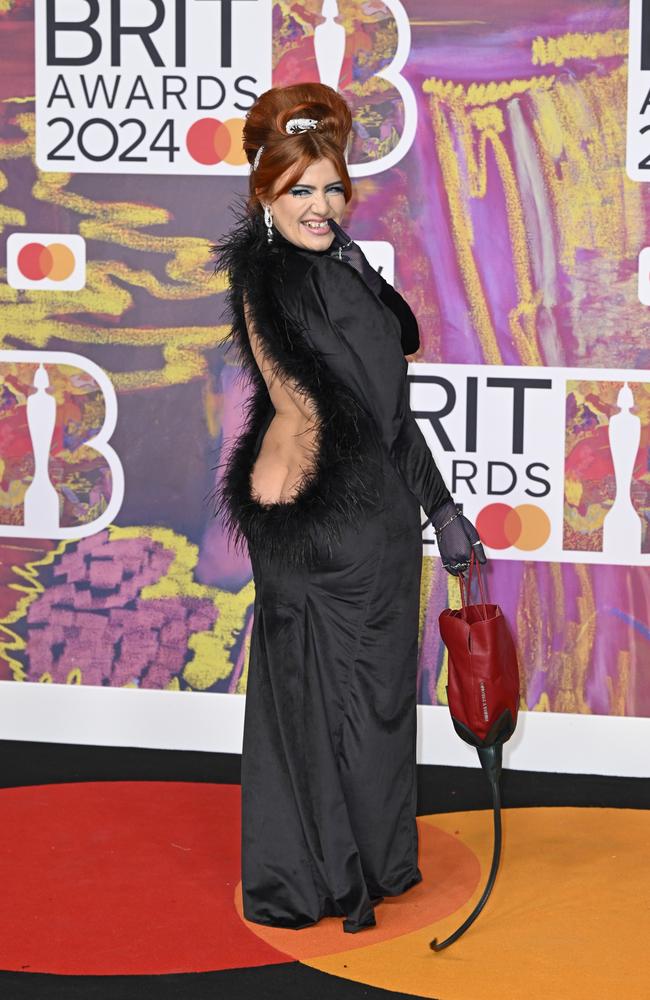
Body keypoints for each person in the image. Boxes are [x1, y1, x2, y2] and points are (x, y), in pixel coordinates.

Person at [212, 82, 486, 934]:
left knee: (375, 698)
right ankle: (318, 878)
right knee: (311, 700)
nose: (322, 205)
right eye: (300, 190)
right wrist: (435, 503)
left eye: (334, 188)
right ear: (266, 194)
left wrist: (437, 511)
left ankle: (371, 861)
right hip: (314, 522)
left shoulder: (342, 271)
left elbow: (390, 398)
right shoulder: (275, 283)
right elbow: (364, 407)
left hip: (374, 519)